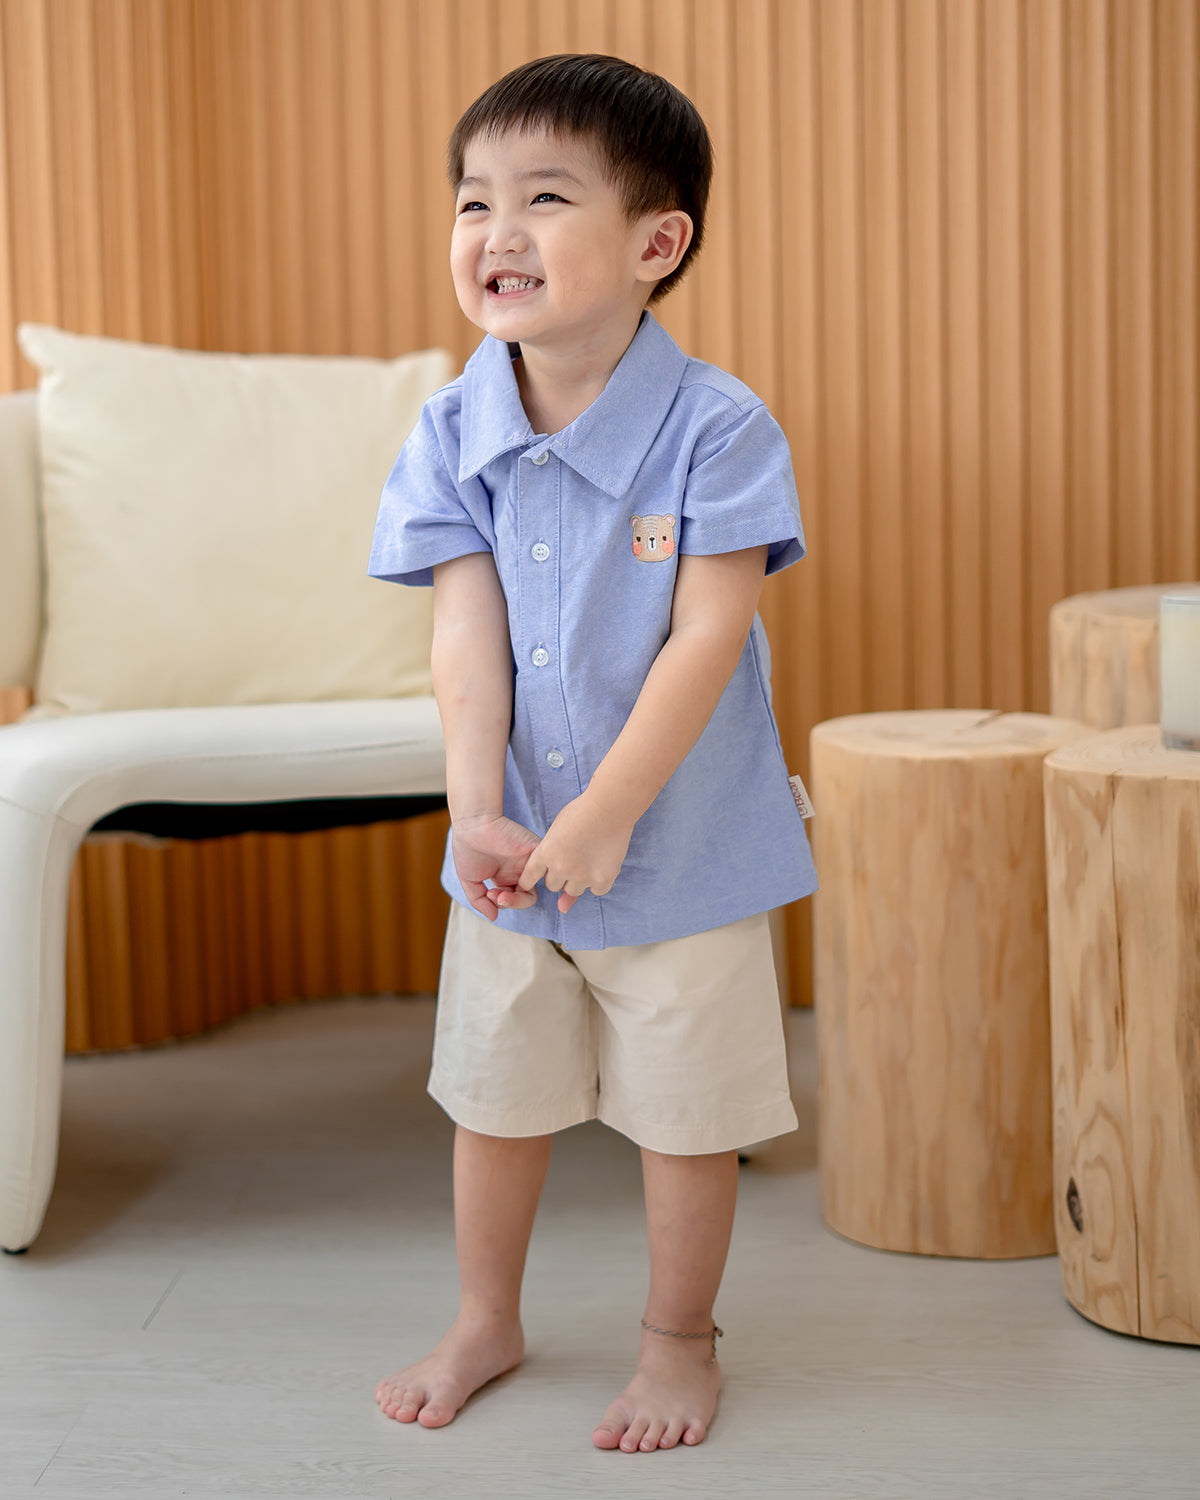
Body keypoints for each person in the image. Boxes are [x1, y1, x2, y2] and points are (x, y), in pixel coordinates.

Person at [367, 52, 817, 1454]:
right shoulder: (451, 429)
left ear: (654, 242)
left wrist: (611, 812)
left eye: (543, 197)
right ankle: (485, 1315)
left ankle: (682, 1340)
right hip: (512, 859)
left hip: (681, 851)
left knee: (689, 1115)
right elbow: (466, 637)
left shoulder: (719, 426)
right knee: (495, 1092)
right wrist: (478, 809)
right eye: (471, 201)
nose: (494, 233)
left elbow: (706, 638)